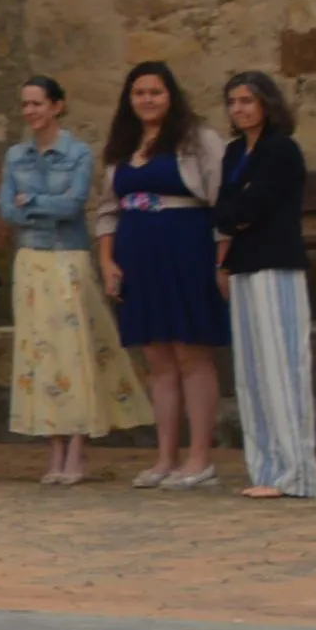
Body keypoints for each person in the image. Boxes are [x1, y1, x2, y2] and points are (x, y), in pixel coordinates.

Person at [0, 73, 149, 484]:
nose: (30, 111)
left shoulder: (78, 153)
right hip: (31, 260)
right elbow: (6, 211)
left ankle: (78, 449)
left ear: (56, 106)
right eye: (26, 104)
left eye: (37, 103)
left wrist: (29, 201)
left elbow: (73, 204)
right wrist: (36, 205)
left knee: (74, 351)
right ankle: (55, 447)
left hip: (68, 257)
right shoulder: (15, 156)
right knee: (40, 355)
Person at [92, 59, 230, 490]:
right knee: (156, 359)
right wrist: (108, 261)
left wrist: (222, 260)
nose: (147, 100)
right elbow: (107, 210)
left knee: (191, 352)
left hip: (186, 250)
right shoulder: (122, 149)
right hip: (138, 256)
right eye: (139, 93)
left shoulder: (199, 141)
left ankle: (200, 458)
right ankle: (165, 456)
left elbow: (223, 202)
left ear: (171, 95)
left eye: (155, 92)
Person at [217, 71, 316, 501]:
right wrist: (233, 214)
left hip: (275, 262)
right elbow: (223, 208)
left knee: (282, 368)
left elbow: (254, 207)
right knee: (253, 373)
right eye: (233, 102)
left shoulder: (282, 151)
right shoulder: (235, 152)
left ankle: (295, 472)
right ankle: (265, 467)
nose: (239, 109)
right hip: (244, 265)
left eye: (247, 101)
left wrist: (237, 211)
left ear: (266, 104)